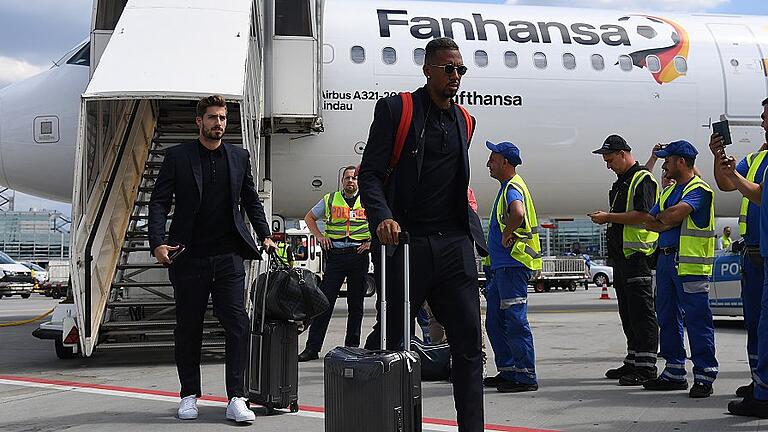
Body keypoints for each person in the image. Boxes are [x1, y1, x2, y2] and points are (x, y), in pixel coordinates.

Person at [358, 37, 488, 431]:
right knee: (397, 347)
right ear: (428, 69)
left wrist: (471, 240)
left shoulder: (465, 121)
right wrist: (382, 217)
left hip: (453, 246)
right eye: (449, 68)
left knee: (468, 347)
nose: (456, 76)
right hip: (408, 245)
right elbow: (370, 173)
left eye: (461, 70)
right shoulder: (398, 109)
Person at [148, 95, 275, 423]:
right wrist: (158, 242)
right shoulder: (177, 157)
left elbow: (250, 200)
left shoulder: (238, 156)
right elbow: (159, 202)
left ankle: (237, 397)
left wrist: (264, 234)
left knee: (237, 325)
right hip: (188, 257)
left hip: (228, 257)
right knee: (188, 329)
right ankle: (189, 394)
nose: (218, 123)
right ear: (199, 122)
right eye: (212, 118)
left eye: (222, 118)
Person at [640, 140, 718, 398]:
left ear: (681, 162)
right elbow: (650, 222)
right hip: (665, 261)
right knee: (667, 318)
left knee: (697, 320)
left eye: (668, 160)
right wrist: (664, 221)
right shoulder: (667, 192)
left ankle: (705, 374)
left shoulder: (700, 190)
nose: (664, 164)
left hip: (689, 265)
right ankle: (674, 371)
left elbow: (671, 216)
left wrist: (665, 221)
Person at [588, 134, 660, 386]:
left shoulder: (642, 179)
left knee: (642, 312)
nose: (608, 165)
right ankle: (634, 359)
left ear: (622, 154)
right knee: (628, 313)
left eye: (609, 160)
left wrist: (608, 217)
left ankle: (647, 365)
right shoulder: (624, 181)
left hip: (638, 256)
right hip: (622, 257)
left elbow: (642, 214)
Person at [715, 97, 768, 418]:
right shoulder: (758, 158)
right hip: (754, 254)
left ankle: (763, 392)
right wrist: (720, 160)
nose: (762, 122)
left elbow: (755, 192)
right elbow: (729, 184)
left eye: (766, 117)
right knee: (756, 325)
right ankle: (759, 382)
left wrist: (736, 176)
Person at [481, 141, 540, 393]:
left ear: (505, 162)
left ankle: (525, 376)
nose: (488, 164)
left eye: (492, 160)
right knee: (494, 322)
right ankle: (508, 370)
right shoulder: (506, 187)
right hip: (500, 268)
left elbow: (518, 213)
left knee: (514, 321)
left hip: (512, 265)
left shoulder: (512, 189)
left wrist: (507, 233)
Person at [298, 165, 371, 362]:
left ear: (358, 181)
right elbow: (310, 217)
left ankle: (352, 348)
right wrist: (320, 236)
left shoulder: (368, 199)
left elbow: (381, 220)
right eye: (347, 178)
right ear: (342, 181)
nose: (350, 181)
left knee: (356, 304)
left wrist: (371, 242)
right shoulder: (330, 199)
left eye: (354, 178)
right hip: (336, 256)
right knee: (324, 303)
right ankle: (312, 348)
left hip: (358, 255)